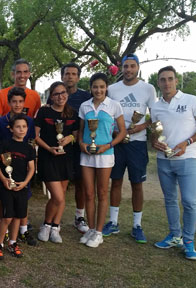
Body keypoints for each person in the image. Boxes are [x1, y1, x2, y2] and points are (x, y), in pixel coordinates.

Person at [104, 54, 156, 243]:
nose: (128, 70)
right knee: (116, 182)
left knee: (137, 184)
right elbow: (106, 111)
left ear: (138, 68)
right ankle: (113, 222)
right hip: (117, 143)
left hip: (138, 143)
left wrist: (141, 127)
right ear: (122, 68)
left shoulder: (148, 88)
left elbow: (154, 115)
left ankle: (137, 225)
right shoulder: (112, 89)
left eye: (132, 66)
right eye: (126, 66)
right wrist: (113, 129)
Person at [152, 66, 196, 260]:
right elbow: (156, 131)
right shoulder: (155, 106)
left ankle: (188, 241)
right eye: (163, 79)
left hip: (187, 158)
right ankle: (174, 235)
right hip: (164, 160)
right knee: (169, 200)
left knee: (189, 202)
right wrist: (154, 142)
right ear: (159, 83)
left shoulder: (191, 100)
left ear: (176, 81)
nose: (167, 83)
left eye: (170, 79)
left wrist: (187, 143)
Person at [78, 72, 126, 248]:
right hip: (87, 155)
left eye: (102, 87)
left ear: (106, 88)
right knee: (89, 194)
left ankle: (99, 232)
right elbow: (81, 131)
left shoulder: (114, 106)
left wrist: (108, 145)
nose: (98, 90)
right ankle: (90, 229)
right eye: (95, 87)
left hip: (105, 155)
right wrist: (82, 144)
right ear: (91, 88)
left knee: (102, 192)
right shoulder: (84, 106)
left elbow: (122, 132)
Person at [48, 63, 92, 233]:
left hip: (80, 146)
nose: (70, 77)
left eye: (74, 74)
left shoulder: (86, 97)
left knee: (80, 182)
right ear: (62, 76)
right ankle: (52, 219)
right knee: (60, 186)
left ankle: (79, 216)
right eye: (67, 74)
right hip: (60, 148)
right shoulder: (54, 96)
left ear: (78, 77)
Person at [35, 81, 79, 243]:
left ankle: (54, 227)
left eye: (63, 93)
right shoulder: (43, 112)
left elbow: (77, 135)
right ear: (51, 97)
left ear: (67, 94)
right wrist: (49, 149)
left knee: (60, 197)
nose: (60, 96)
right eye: (56, 94)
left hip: (66, 159)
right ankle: (46, 225)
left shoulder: (72, 114)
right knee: (58, 197)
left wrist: (70, 138)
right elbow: (36, 136)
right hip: (48, 158)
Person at [0, 86, 37, 246]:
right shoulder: (1, 122)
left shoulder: (29, 121)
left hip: (22, 164)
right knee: (3, 198)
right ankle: (1, 228)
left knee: (22, 200)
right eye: (14, 102)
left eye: (20, 101)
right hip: (5, 166)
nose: (17, 105)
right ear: (9, 102)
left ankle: (22, 231)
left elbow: (31, 141)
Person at [0, 58, 41, 124]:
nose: (22, 76)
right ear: (12, 74)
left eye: (25, 72)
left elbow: (37, 121)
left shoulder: (35, 96)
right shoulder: (1, 94)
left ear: (29, 74)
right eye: (18, 72)